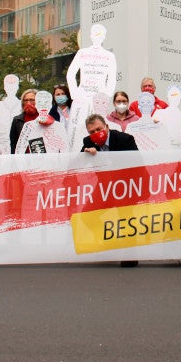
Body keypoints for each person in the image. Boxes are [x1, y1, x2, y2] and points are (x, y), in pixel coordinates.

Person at [81, 114, 139, 267]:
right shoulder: (88, 142)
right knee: (87, 215)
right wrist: (86, 155)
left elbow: (138, 164)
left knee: (126, 218)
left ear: (106, 126)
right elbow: (77, 163)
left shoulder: (125, 139)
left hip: (125, 184)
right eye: (92, 131)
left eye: (99, 129)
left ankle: (130, 255)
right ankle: (108, 241)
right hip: (105, 186)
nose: (96, 133)